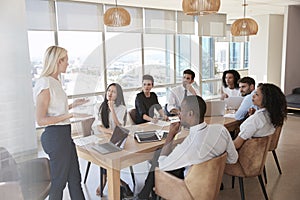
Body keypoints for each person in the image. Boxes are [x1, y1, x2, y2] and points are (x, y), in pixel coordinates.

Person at [135, 95, 238, 200]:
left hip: (190, 189)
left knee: (157, 159)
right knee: (160, 154)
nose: (179, 114)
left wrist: (171, 134)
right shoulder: (221, 130)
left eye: (181, 110)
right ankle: (144, 195)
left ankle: (143, 195)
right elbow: (233, 159)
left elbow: (162, 165)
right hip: (211, 185)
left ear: (190, 114)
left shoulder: (188, 146)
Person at [33, 46, 88, 200]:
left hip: (64, 136)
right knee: (59, 183)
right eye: (66, 60)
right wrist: (70, 114)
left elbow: (56, 110)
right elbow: (41, 119)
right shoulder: (45, 83)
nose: (68, 64)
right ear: (58, 61)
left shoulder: (56, 81)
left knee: (75, 179)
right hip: (55, 137)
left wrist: (73, 105)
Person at [93, 83, 132, 197]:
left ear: (118, 95)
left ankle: (105, 180)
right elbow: (98, 126)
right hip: (102, 138)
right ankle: (119, 182)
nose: (110, 93)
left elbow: (119, 126)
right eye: (109, 90)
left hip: (116, 140)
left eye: (113, 92)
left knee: (110, 154)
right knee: (104, 152)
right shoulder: (99, 106)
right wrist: (110, 132)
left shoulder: (122, 108)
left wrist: (112, 109)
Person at [233, 83, 287, 149]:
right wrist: (252, 116)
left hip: (243, 153)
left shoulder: (256, 119)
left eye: (257, 94)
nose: (253, 96)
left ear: (266, 99)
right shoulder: (272, 115)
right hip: (258, 154)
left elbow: (236, 145)